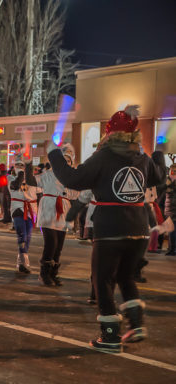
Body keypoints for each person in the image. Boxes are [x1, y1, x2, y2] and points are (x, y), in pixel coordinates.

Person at [48, 105, 166, 353]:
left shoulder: (103, 157)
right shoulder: (141, 157)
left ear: (109, 133)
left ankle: (110, 337)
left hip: (110, 228)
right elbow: (158, 178)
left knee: (103, 280)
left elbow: (73, 179)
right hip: (138, 229)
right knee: (125, 276)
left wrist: (55, 156)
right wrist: (156, 154)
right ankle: (136, 325)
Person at [25, 144, 79, 286]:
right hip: (49, 209)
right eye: (63, 160)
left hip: (63, 212)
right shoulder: (48, 174)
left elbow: (77, 194)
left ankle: (53, 274)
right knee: (51, 242)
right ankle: (44, 274)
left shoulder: (72, 177)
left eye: (68, 161)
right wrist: (27, 165)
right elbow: (31, 181)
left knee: (59, 246)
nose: (66, 163)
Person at [8, 154, 38, 274]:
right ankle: (24, 262)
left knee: (28, 236)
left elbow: (39, 192)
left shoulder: (31, 179)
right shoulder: (10, 178)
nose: (20, 167)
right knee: (22, 235)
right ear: (14, 166)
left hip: (30, 210)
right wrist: (20, 173)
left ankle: (20, 262)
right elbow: (15, 186)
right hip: (17, 209)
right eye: (18, 165)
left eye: (22, 165)